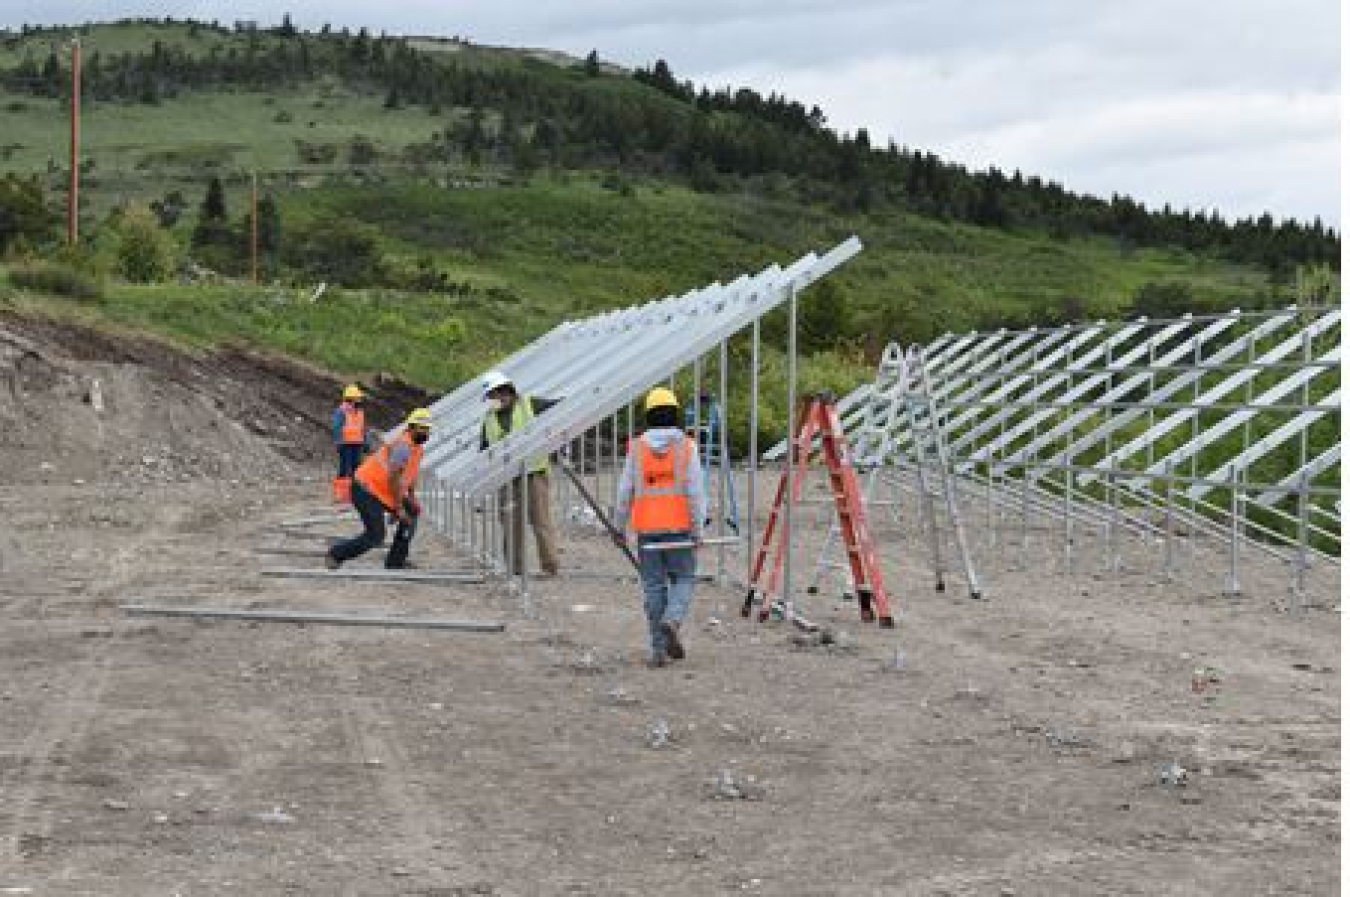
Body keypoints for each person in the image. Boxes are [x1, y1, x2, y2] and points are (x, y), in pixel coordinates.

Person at [614, 387, 707, 668]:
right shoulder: (686, 447)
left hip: (648, 531)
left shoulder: (637, 447)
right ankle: (673, 619)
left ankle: (658, 650)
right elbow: (695, 493)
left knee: (653, 586)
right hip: (678, 528)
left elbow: (625, 491)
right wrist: (697, 530)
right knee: (685, 579)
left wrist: (618, 527)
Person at [327, 408, 432, 570]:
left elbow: (410, 475)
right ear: (411, 427)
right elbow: (393, 479)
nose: (425, 433)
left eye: (427, 429)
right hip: (366, 490)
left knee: (412, 512)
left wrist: (410, 498)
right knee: (375, 536)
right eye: (422, 429)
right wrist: (398, 509)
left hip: (382, 490)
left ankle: (395, 561)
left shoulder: (416, 447)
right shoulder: (403, 447)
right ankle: (336, 554)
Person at [480, 370, 560, 576]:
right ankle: (514, 568)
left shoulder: (530, 404)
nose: (492, 401)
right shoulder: (488, 419)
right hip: (507, 478)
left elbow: (560, 407)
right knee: (510, 522)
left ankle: (549, 566)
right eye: (490, 397)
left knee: (540, 521)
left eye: (493, 396)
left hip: (534, 473)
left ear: (505, 391)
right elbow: (483, 449)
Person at [331, 384, 366, 503]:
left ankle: (354, 494)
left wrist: (365, 443)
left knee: (357, 469)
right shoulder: (341, 411)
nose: (360, 401)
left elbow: (362, 428)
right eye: (358, 398)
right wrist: (338, 442)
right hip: (345, 444)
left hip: (357, 444)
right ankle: (340, 495)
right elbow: (336, 427)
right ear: (351, 399)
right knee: (344, 469)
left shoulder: (359, 412)